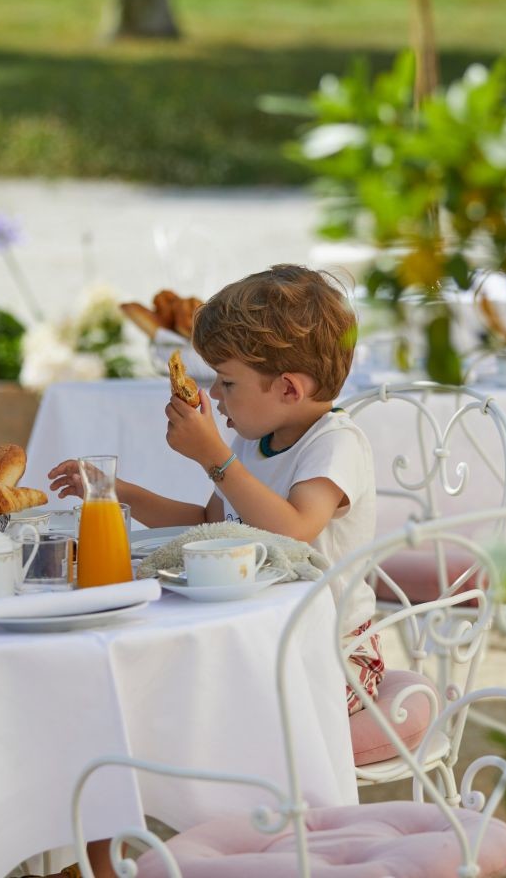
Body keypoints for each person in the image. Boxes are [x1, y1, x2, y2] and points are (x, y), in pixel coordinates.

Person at [48, 264, 380, 704]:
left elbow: (296, 529)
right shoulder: (252, 445)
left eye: (227, 382)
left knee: (209, 706)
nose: (217, 396)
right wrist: (116, 492)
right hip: (263, 636)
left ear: (287, 390)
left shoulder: (335, 444)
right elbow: (210, 522)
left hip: (335, 655)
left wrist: (214, 457)